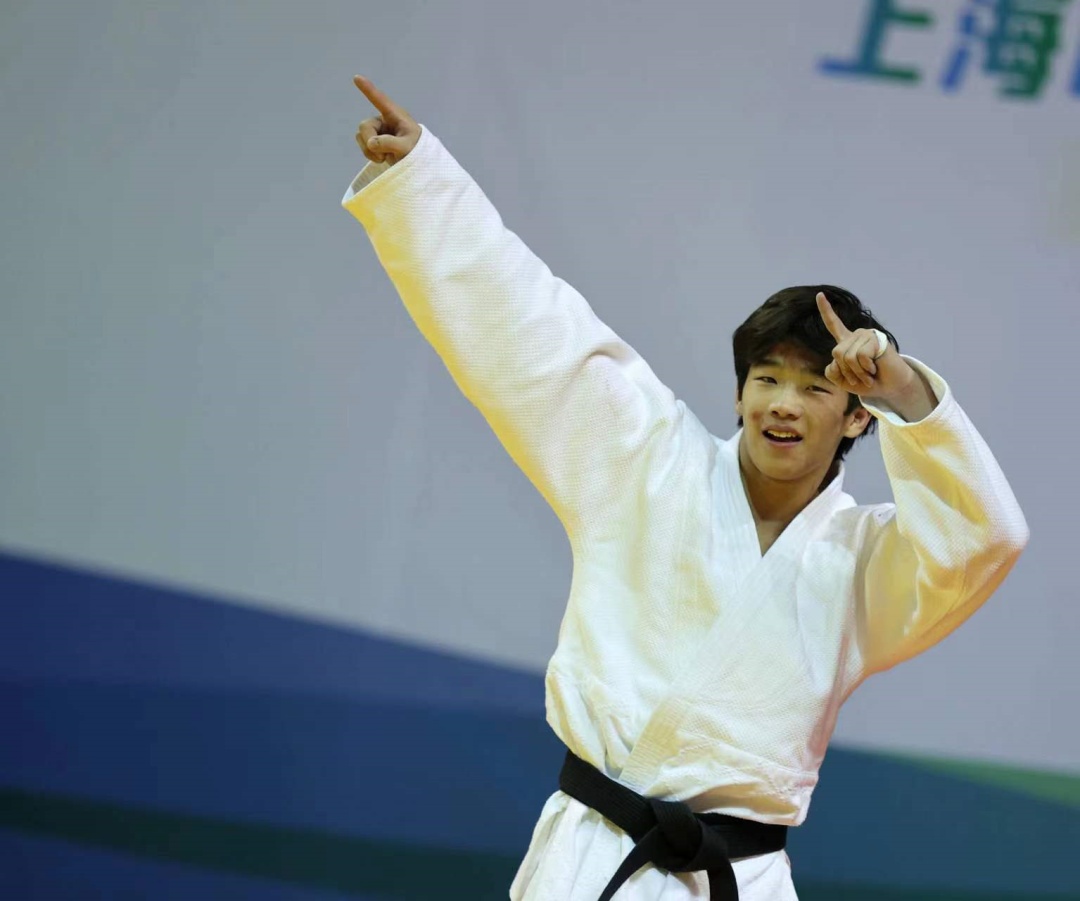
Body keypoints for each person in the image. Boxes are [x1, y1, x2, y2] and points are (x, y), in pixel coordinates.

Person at [343, 75, 1029, 901]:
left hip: (738, 876)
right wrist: (423, 181)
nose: (782, 403)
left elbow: (984, 540)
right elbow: (531, 328)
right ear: (739, 394)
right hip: (591, 858)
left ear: (857, 418)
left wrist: (905, 389)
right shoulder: (646, 463)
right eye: (766, 379)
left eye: (814, 387)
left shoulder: (864, 564)